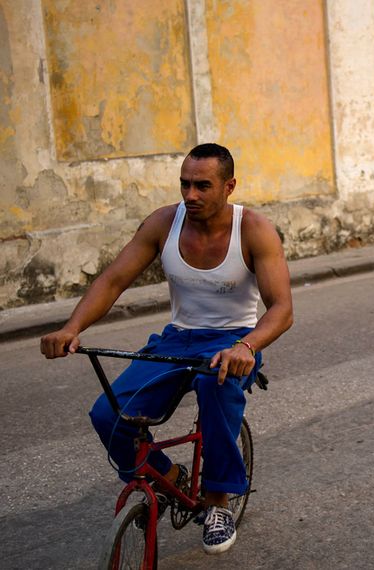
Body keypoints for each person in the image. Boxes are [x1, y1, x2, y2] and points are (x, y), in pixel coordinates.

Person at [40, 143, 294, 555]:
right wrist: (72, 327)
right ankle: (169, 476)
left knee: (217, 386)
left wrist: (247, 345)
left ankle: (217, 502)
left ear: (229, 186)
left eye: (202, 186)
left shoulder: (253, 229)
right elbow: (113, 281)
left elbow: (282, 309)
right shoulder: (163, 223)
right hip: (177, 338)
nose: (190, 195)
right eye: (184, 184)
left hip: (234, 341)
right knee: (108, 414)